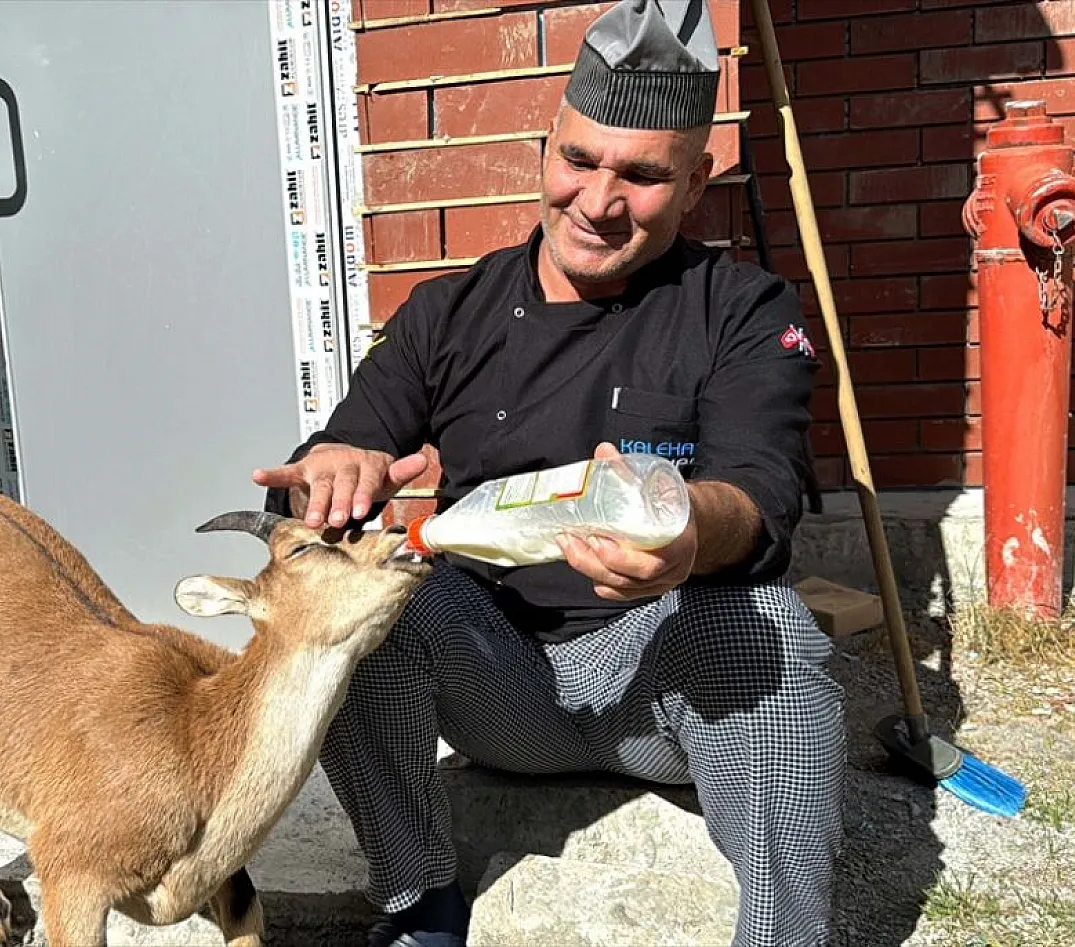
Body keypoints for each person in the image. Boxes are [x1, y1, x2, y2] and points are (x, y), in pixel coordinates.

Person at [251, 2, 845, 945]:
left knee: (766, 620)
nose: (599, 202)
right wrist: (335, 467)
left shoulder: (741, 310)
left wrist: (689, 531)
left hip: (662, 681)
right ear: (545, 150)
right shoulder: (449, 311)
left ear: (695, 183)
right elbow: (346, 448)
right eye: (578, 160)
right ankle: (418, 901)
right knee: (363, 603)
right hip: (496, 681)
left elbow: (759, 495)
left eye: (642, 175)